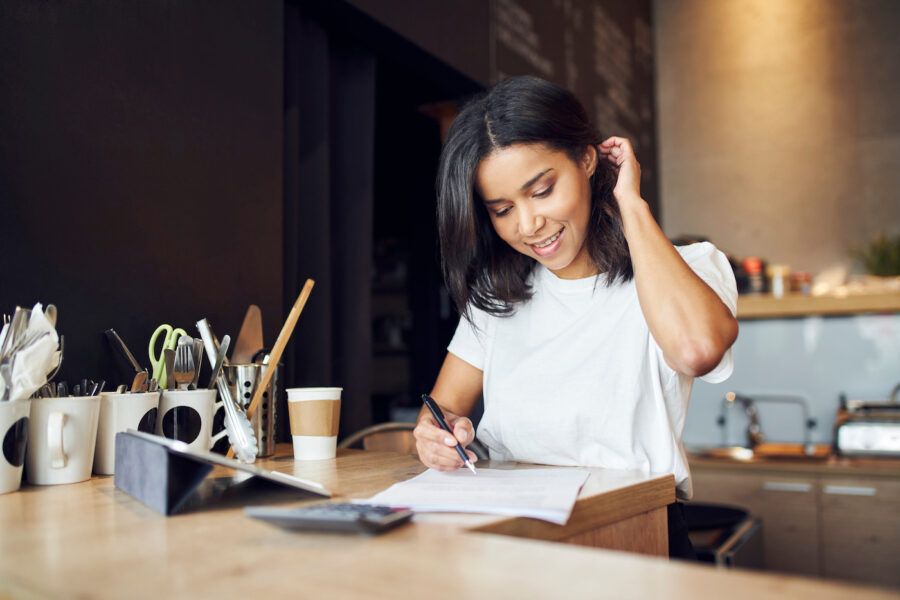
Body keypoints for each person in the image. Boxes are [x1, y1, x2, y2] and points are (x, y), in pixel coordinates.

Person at [412, 76, 738, 559]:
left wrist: (629, 202)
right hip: (517, 532)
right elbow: (440, 412)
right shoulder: (498, 294)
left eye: (542, 191)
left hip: (634, 530)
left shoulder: (689, 268)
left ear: (587, 159)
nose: (527, 226)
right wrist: (436, 439)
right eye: (502, 210)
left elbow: (697, 351)